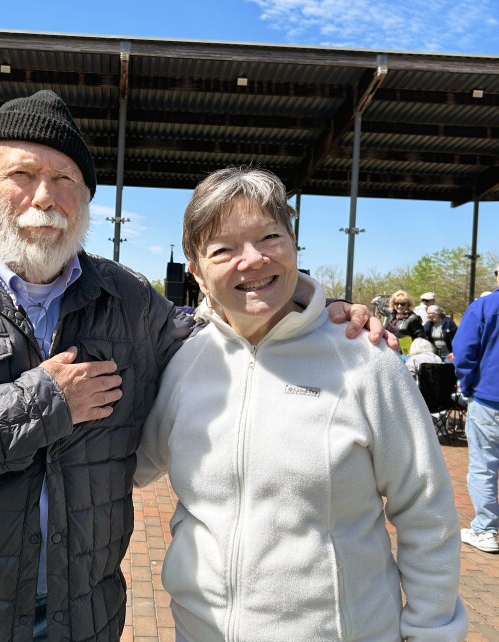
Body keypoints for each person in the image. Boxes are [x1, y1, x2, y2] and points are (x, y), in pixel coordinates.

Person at [0, 90, 386, 642]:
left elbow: (231, 339)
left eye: (66, 179)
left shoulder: (130, 300)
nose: (45, 197)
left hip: (83, 618)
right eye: (22, 175)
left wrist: (312, 313)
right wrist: (42, 402)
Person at [135, 166, 466, 642]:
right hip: (198, 629)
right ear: (197, 273)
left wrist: (432, 630)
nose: (251, 261)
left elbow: (426, 510)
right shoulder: (186, 361)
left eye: (269, 237)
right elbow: (129, 464)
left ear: (293, 244)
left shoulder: (364, 359)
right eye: (223, 249)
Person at [454, 265, 499, 554]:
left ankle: (486, 529)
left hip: (488, 398)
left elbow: (464, 351)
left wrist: (467, 387)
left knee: (484, 466)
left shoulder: (484, 307)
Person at [386, 289, 423, 354]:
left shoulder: (413, 318)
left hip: (405, 351)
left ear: (408, 305)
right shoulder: (391, 316)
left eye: (402, 304)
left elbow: (421, 337)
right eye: (397, 303)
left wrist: (411, 350)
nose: (399, 306)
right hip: (389, 349)